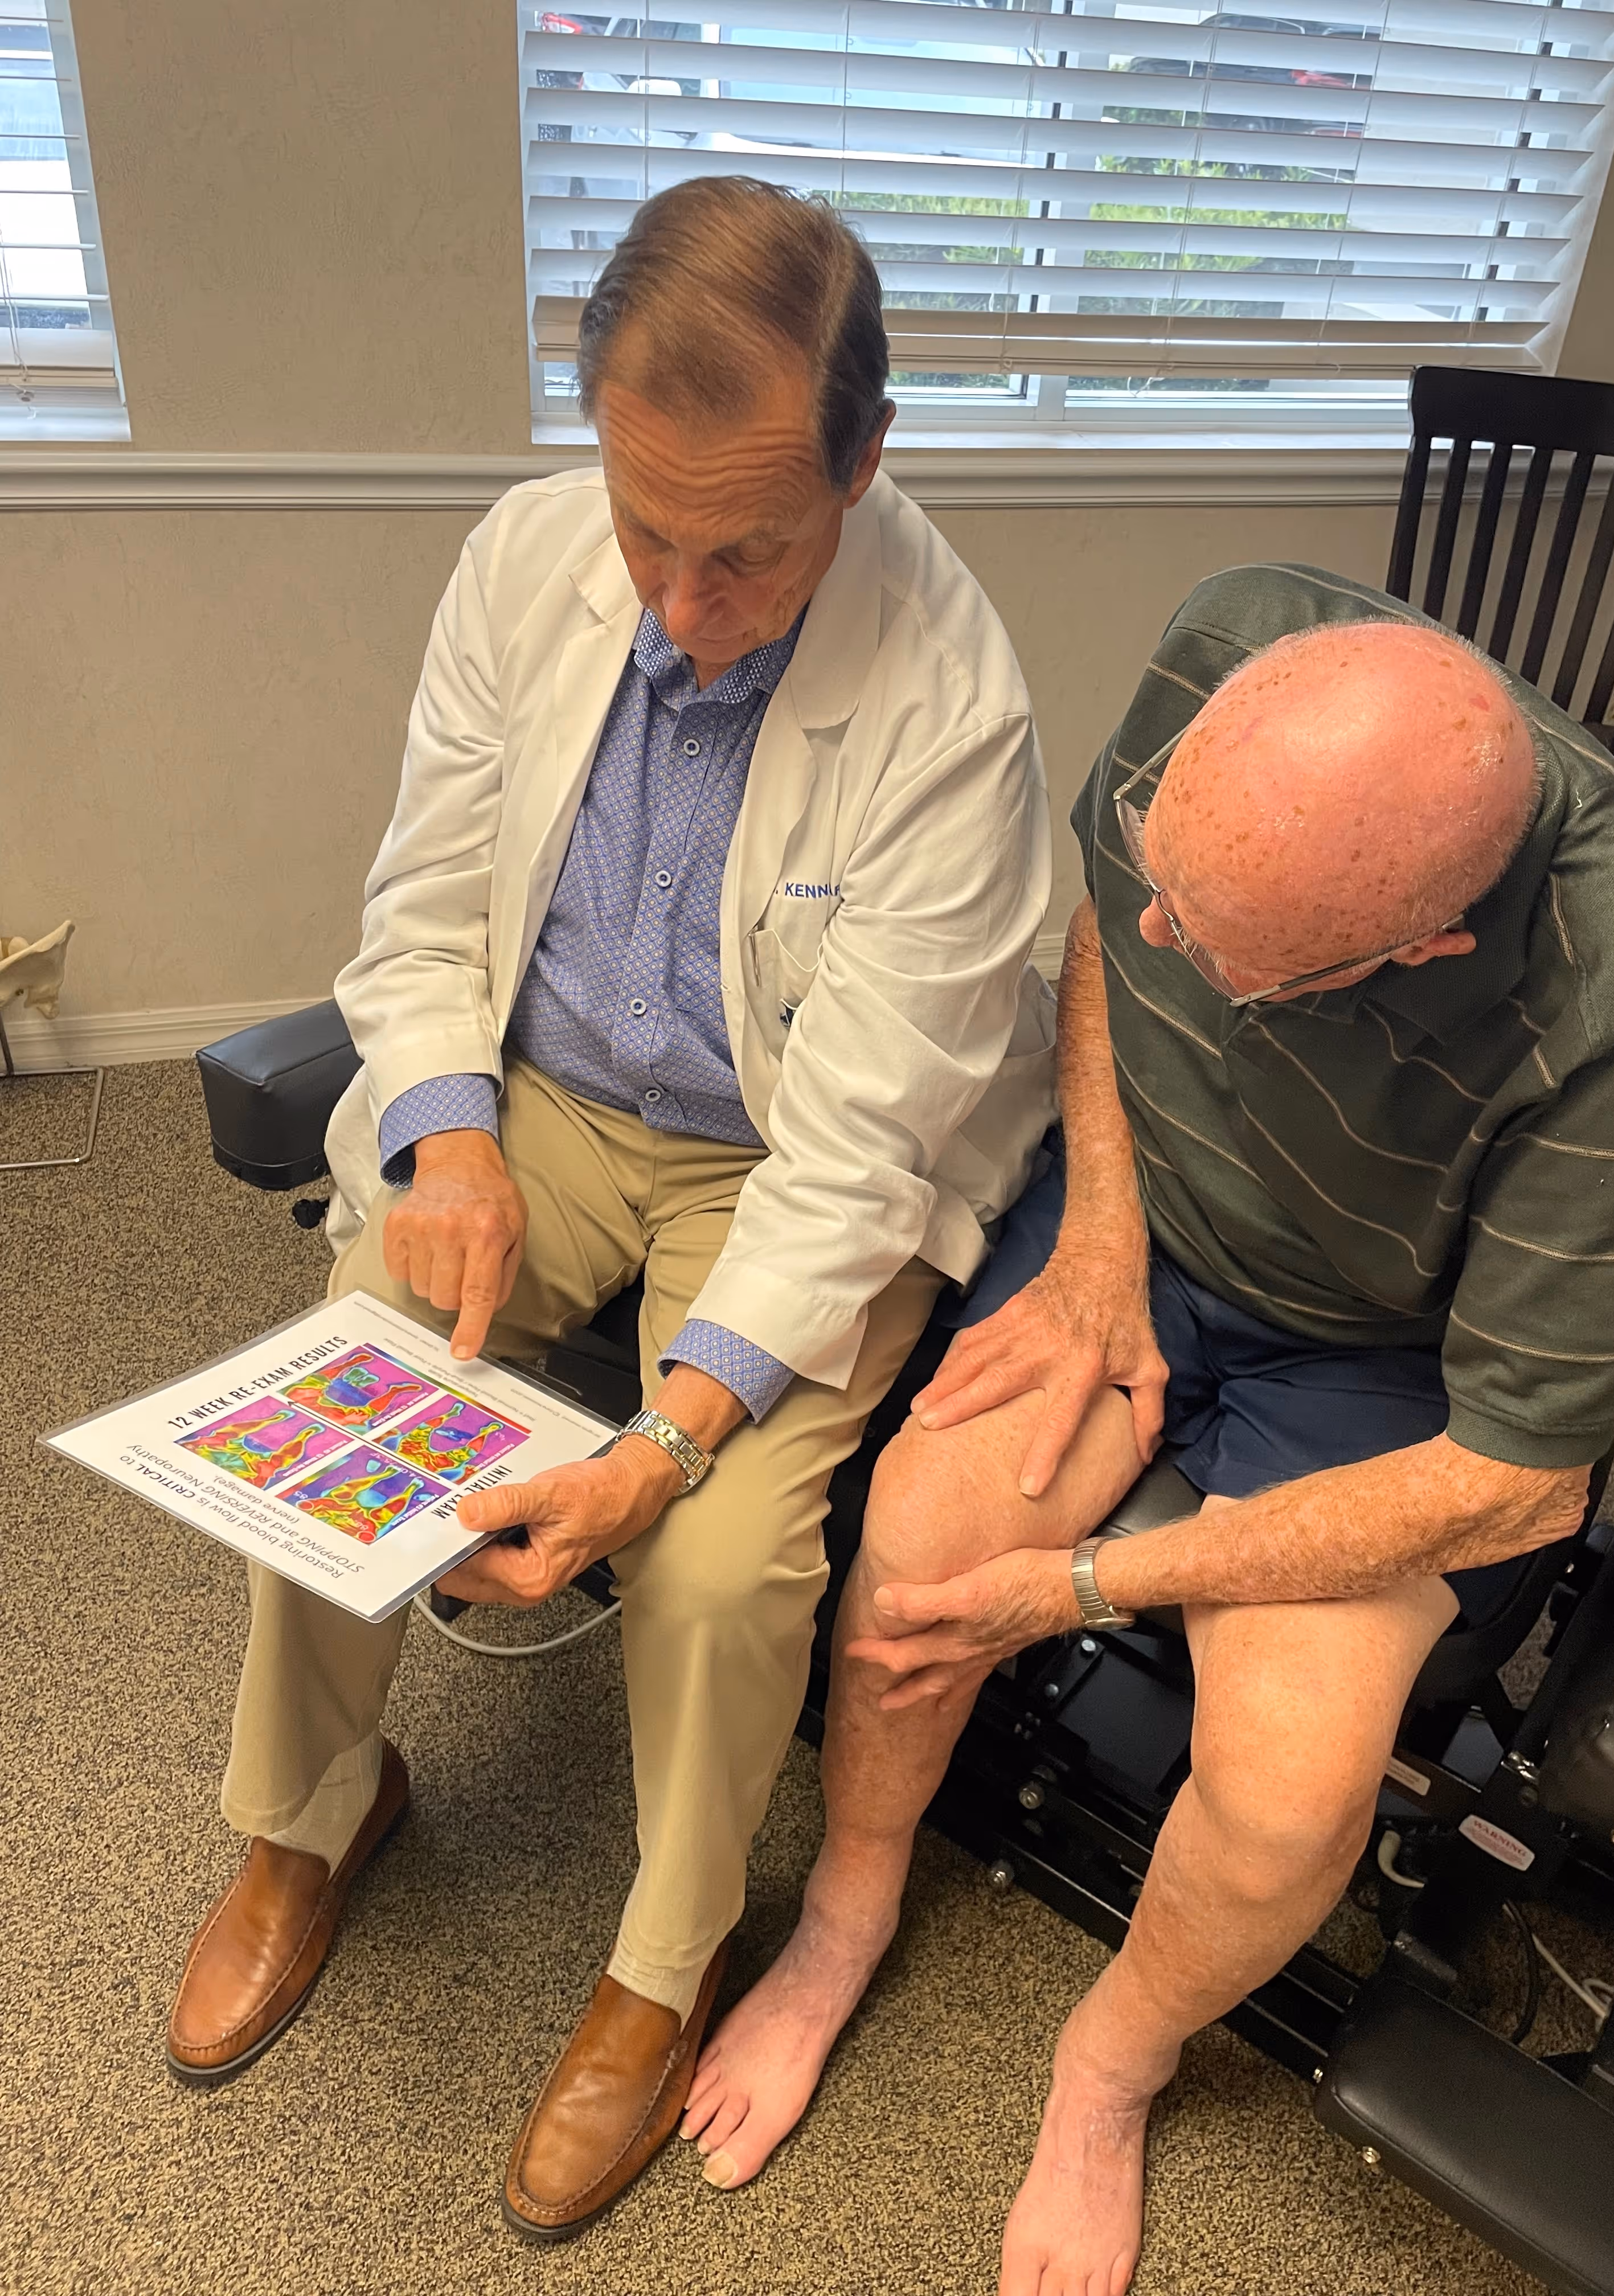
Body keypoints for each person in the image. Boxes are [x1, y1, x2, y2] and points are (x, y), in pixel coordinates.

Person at [165, 177, 1056, 2238]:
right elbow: (418, 911)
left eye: (742, 550)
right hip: (550, 1098)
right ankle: (311, 1814)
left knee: (725, 1557)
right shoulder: (532, 553)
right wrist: (451, 1135)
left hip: (789, 1165)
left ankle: (663, 1975)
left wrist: (667, 1440)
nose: (674, 599)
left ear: (864, 461)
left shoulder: (958, 705)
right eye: (645, 529)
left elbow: (859, 1160)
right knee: (361, 1363)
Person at [683, 565, 1614, 2296]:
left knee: (1285, 1785)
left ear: (1424, 951)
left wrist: (1091, 1581)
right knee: (925, 1549)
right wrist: (1099, 1232)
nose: (1172, 945)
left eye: (1237, 959)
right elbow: (1112, 924)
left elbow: (1514, 1469)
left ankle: (1113, 2068)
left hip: (1392, 1366)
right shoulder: (1232, 648)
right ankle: (848, 1920)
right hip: (1138, 1226)